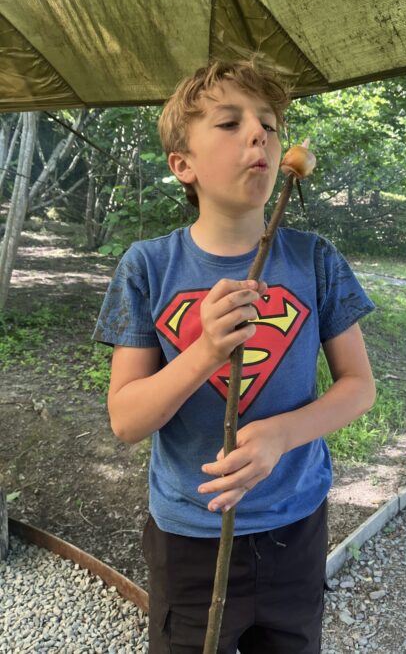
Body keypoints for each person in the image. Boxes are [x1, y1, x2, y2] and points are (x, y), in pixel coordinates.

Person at [91, 59, 376, 654]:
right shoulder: (147, 267)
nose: (259, 136)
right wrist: (205, 350)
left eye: (269, 125)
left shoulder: (315, 260)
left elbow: (358, 386)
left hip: (295, 528)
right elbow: (126, 420)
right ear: (182, 165)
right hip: (189, 538)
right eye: (229, 123)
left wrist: (281, 434)